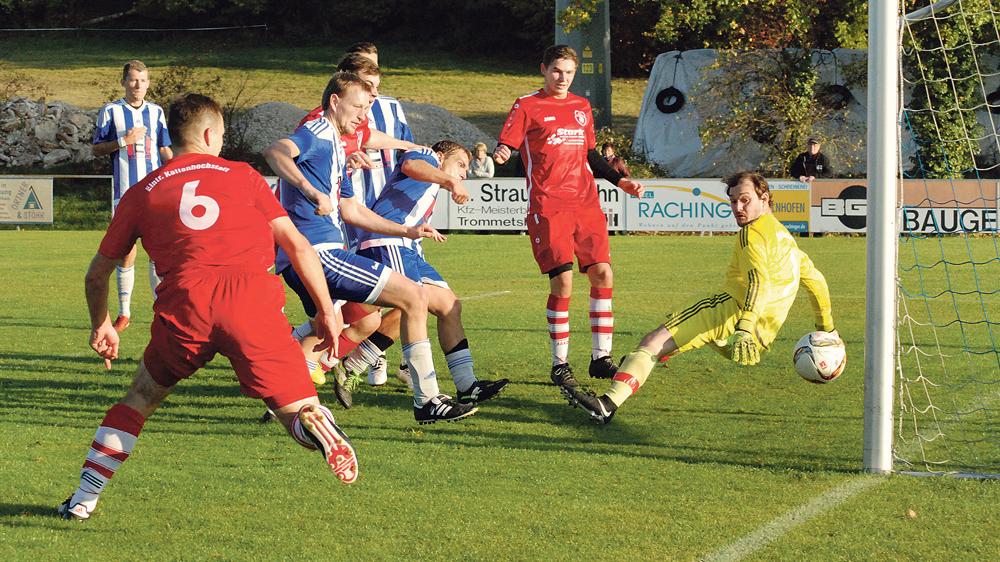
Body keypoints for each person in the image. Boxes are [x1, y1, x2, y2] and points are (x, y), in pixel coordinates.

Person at [59, 93, 358, 521]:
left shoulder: (143, 192)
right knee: (293, 406)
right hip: (251, 301)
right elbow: (298, 247)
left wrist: (101, 324)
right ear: (208, 133)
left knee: (141, 396)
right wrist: (327, 311)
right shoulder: (245, 176)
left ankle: (85, 498)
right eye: (221, 135)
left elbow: (97, 273)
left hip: (187, 304)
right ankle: (313, 422)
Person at [264, 72, 478, 425]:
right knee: (413, 296)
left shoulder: (336, 147)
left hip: (317, 255)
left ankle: (284, 400)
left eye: (367, 107)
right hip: (319, 254)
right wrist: (310, 190)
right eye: (358, 106)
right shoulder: (318, 131)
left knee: (335, 324)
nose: (363, 115)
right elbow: (276, 151)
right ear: (335, 102)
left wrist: (407, 230)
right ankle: (427, 400)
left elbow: (352, 211)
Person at [562, 171, 841, 423]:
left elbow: (759, 280)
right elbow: (816, 280)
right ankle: (631, 372)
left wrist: (743, 326)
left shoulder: (752, 235)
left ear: (764, 198)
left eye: (745, 200)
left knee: (652, 343)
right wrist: (827, 328)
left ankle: (607, 404)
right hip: (760, 339)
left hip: (730, 313)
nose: (738, 208)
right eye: (733, 202)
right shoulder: (786, 240)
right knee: (657, 350)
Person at [493, 44, 644, 392]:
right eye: (557, 71)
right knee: (563, 283)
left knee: (603, 273)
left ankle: (600, 357)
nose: (562, 78)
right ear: (544, 69)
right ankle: (560, 364)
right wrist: (503, 150)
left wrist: (620, 181)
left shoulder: (581, 106)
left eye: (569, 73)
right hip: (548, 206)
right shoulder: (527, 105)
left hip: (586, 203)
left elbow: (591, 154)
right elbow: (509, 143)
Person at [353, 141, 509, 404]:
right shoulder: (425, 153)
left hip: (408, 247)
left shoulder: (433, 184)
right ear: (440, 156)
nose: (463, 173)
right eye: (460, 164)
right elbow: (411, 165)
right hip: (386, 242)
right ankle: (425, 398)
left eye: (466, 169)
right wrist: (450, 181)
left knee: (450, 306)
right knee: (411, 304)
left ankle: (467, 385)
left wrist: (425, 225)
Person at [92, 60, 173, 332]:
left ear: (148, 83)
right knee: (125, 252)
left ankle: (161, 310)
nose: (138, 85)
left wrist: (176, 172)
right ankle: (124, 313)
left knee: (158, 252)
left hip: (156, 193)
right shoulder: (111, 111)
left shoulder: (157, 112)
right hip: (125, 194)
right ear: (124, 82)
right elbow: (97, 149)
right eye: (133, 80)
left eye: (143, 80)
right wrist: (121, 142)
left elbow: (165, 149)